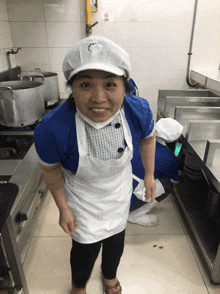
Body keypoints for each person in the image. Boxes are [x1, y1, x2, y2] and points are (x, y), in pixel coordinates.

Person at [34, 36, 156, 294]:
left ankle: (109, 276)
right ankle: (79, 285)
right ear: (72, 88)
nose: (99, 98)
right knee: (84, 250)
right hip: (82, 197)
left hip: (118, 192)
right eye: (86, 84)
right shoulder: (53, 128)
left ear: (125, 86)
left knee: (115, 242)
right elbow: (51, 170)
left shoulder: (138, 110)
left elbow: (148, 138)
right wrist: (63, 208)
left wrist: (149, 175)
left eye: (110, 84)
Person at [128, 118, 183, 226]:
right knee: (168, 184)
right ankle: (135, 215)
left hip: (114, 192)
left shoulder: (137, 137)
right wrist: (174, 158)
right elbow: (175, 180)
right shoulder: (168, 157)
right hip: (128, 200)